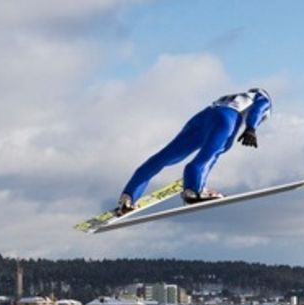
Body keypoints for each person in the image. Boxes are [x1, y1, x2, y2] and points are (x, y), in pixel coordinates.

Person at [116, 88, 272, 214]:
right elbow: (258, 110)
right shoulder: (263, 98)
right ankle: (194, 190)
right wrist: (251, 128)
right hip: (225, 118)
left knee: (164, 157)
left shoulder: (235, 96)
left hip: (202, 117)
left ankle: (128, 196)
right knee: (213, 152)